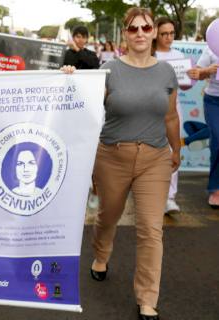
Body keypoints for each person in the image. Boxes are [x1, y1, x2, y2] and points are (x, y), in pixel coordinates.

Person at [88, 8, 180, 320]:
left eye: (146, 27)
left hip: (154, 158)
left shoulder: (166, 72)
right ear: (124, 35)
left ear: (154, 32)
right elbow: (83, 109)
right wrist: (71, 81)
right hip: (112, 156)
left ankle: (147, 299)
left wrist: (176, 149)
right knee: (108, 217)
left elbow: (170, 115)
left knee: (151, 230)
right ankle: (101, 255)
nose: (140, 33)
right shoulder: (109, 70)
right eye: (133, 28)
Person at [153, 17, 195, 214]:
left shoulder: (179, 55)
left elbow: (185, 85)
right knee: (150, 151)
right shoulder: (149, 55)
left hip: (173, 109)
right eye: (164, 34)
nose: (168, 37)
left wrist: (192, 76)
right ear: (155, 33)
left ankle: (170, 198)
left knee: (173, 150)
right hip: (149, 109)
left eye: (171, 33)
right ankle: (152, 195)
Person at [189, 47, 219, 208]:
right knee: (217, 142)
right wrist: (208, 70)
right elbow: (197, 74)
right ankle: (215, 189)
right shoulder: (211, 48)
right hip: (214, 101)